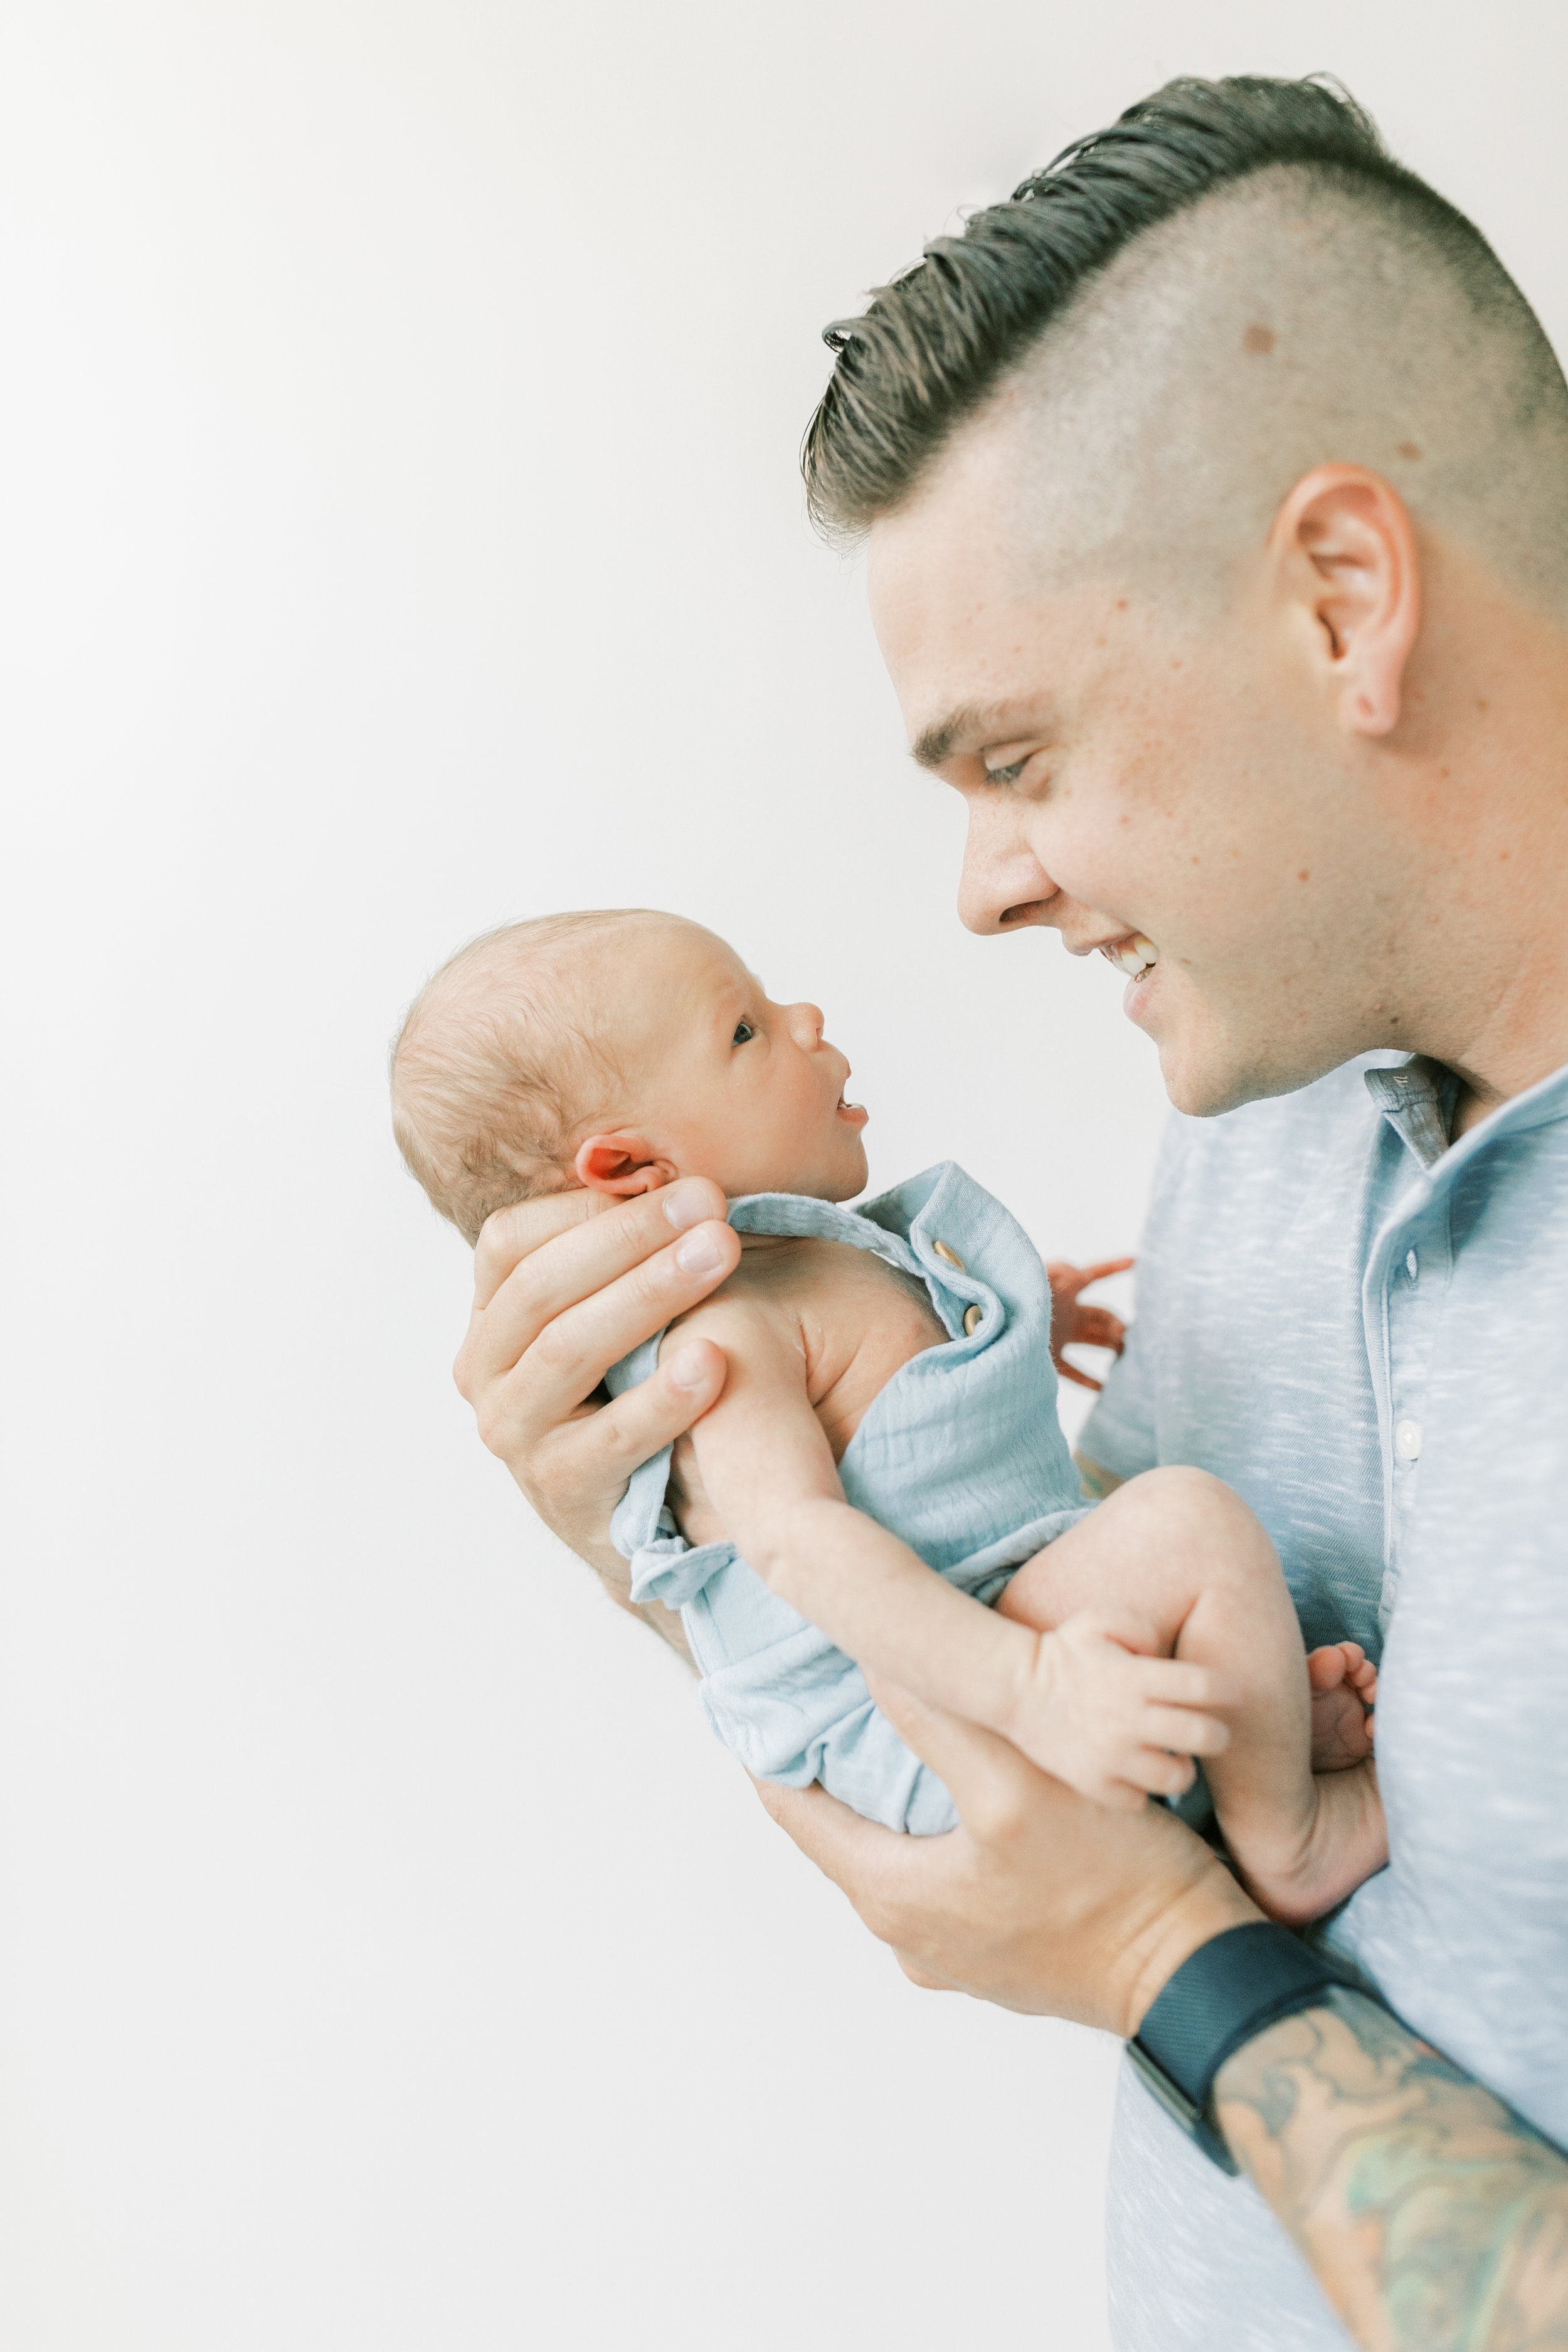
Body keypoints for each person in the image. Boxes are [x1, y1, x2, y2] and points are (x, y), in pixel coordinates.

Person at [448, 76, 1568, 2351]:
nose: (981, 889)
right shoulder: (1262, 1085)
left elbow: (1123, 1900)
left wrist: (1166, 1968)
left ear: (1347, 604)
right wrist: (682, 1529)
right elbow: (1010, 1623)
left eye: (1018, 760)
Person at [393, 908, 1382, 1902]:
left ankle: (1248, 1737)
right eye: (744, 1030)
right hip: (918, 1704)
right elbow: (797, 1545)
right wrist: (1031, 1689)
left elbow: (895, 1424)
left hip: (982, 1633)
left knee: (1159, 1545)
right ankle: (1288, 1843)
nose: (807, 1018)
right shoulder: (720, 1341)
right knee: (1184, 1525)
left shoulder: (823, 1264)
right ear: (633, 1171)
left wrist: (1031, 1321)